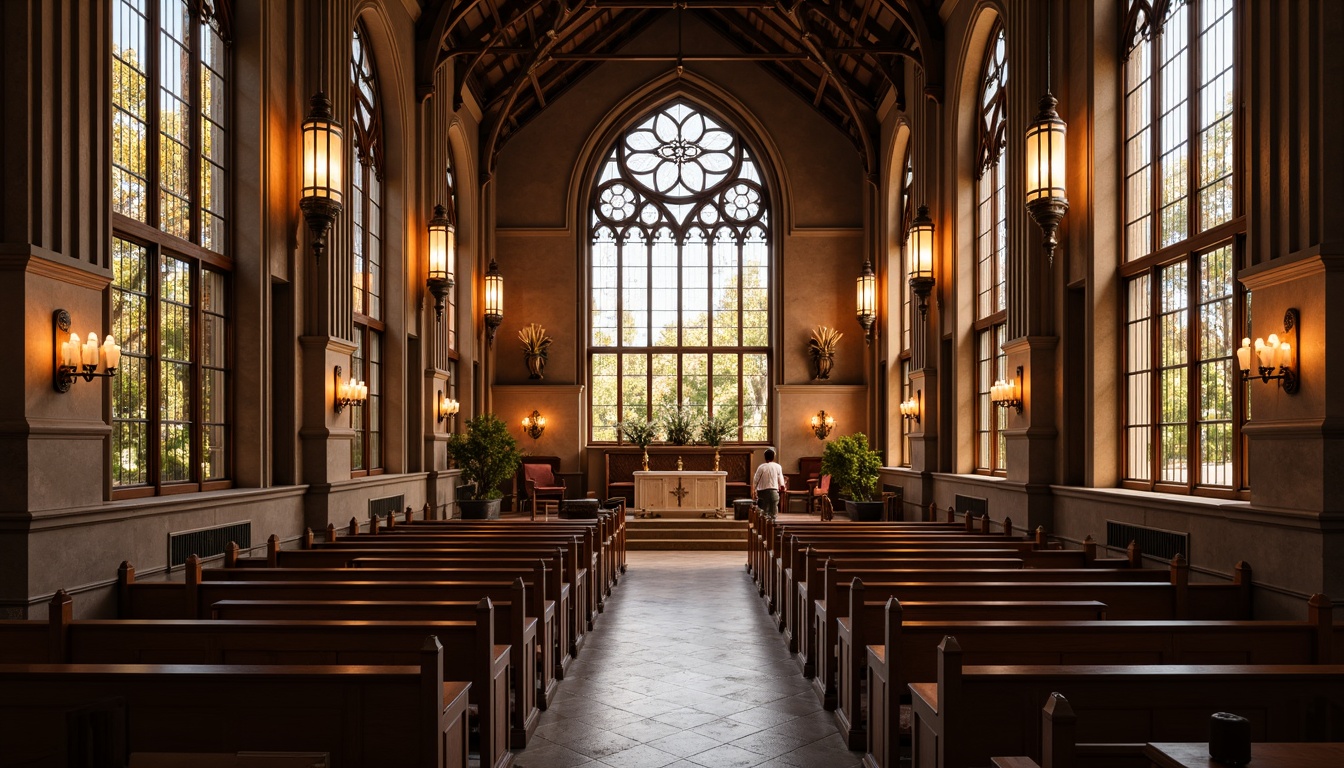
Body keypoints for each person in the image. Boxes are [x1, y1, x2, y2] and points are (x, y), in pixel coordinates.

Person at [752, 448, 787, 519]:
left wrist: (754, 490)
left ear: (765, 457)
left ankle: (763, 528)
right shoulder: (778, 466)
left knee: (763, 512)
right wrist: (782, 486)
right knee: (773, 512)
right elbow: (781, 478)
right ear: (773, 457)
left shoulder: (761, 467)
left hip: (762, 492)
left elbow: (756, 479)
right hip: (774, 491)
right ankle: (773, 526)